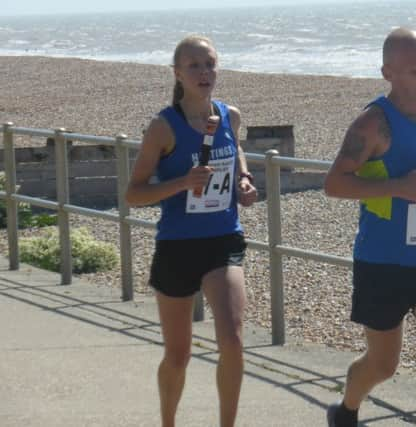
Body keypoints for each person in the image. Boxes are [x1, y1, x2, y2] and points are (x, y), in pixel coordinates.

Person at [323, 28, 416, 427]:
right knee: (383, 364)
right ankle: (347, 408)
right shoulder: (372, 126)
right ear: (388, 72)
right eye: (415, 69)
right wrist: (397, 188)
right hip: (383, 261)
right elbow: (334, 184)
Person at [125, 35, 257, 427]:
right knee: (178, 354)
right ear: (178, 73)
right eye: (195, 66)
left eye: (210, 64)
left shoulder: (229, 115)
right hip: (177, 245)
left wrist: (244, 181)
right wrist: (182, 183)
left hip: (222, 240)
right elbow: (133, 194)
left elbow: (235, 152)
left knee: (232, 340)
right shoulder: (163, 127)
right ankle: (168, 421)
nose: (204, 73)